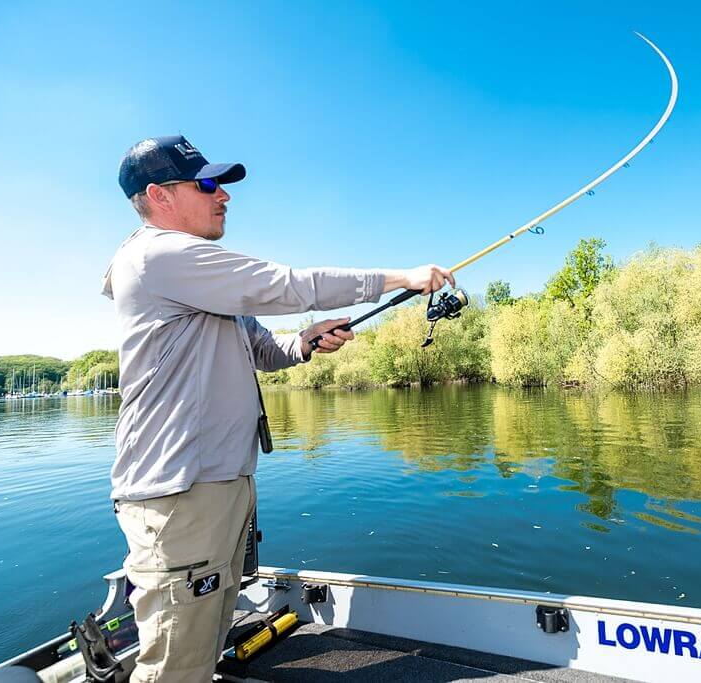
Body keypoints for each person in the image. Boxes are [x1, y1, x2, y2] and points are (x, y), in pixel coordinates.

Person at [102, 135, 454, 682]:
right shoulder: (158, 255)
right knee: (175, 664)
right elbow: (289, 285)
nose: (224, 197)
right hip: (178, 493)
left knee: (205, 642)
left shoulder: (201, 280)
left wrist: (307, 341)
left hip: (218, 483)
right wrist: (400, 278)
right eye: (208, 185)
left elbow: (265, 350)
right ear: (160, 195)